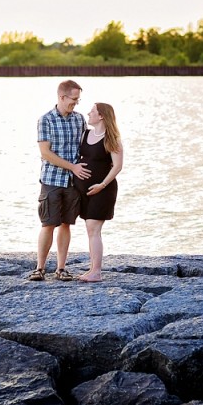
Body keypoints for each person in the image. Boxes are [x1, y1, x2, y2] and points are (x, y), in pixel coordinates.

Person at [30, 80, 89, 281]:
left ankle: (61, 269)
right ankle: (40, 268)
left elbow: (87, 147)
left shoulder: (80, 119)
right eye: (74, 99)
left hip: (73, 183)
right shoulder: (46, 120)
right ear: (62, 97)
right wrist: (72, 166)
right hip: (51, 180)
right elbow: (45, 153)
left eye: (78, 99)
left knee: (66, 224)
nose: (76, 103)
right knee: (48, 224)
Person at [73, 102, 123, 282]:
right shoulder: (85, 134)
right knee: (90, 229)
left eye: (92, 111)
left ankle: (96, 272)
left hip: (103, 190)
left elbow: (117, 166)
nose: (89, 113)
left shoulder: (112, 138)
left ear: (101, 116)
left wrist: (101, 185)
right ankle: (93, 269)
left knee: (93, 227)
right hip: (84, 190)